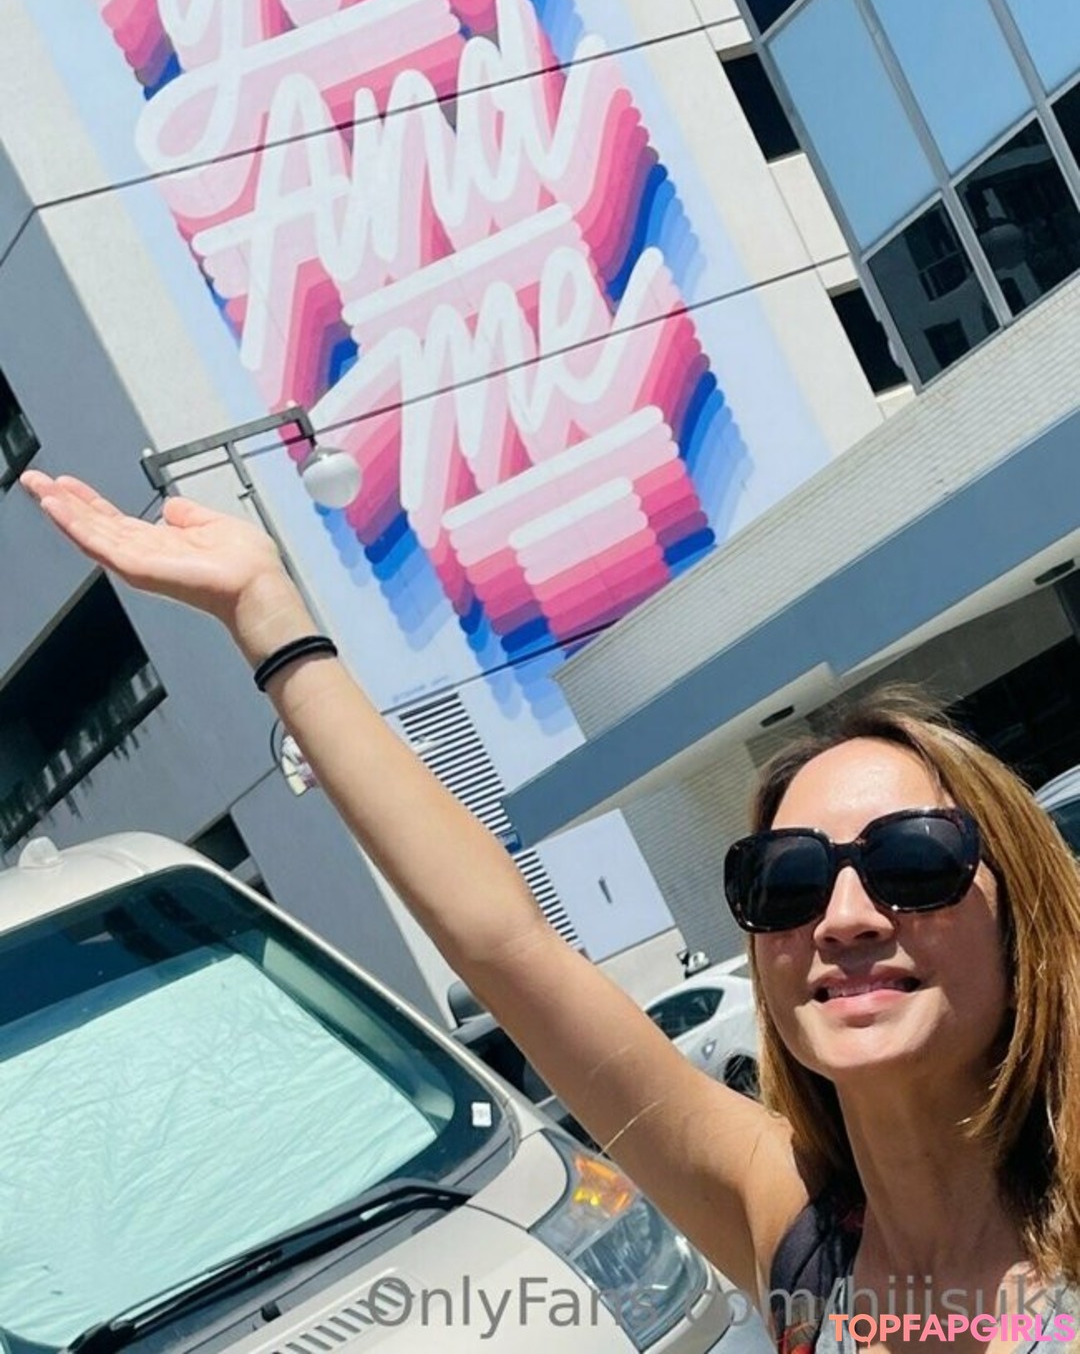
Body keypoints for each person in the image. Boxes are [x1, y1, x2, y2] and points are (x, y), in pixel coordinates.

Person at [20, 468, 1080, 1354]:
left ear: (1022, 916)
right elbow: (506, 947)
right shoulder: (802, 1243)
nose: (844, 915)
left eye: (911, 861)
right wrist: (270, 618)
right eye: (788, 882)